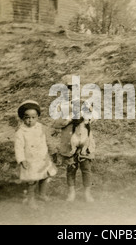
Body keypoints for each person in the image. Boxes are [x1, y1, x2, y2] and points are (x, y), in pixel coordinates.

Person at [53, 75, 96, 203]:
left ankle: (87, 193)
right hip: (68, 142)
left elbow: (94, 117)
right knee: (71, 168)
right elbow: (55, 123)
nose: (71, 92)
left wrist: (86, 117)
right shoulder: (61, 105)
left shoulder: (85, 103)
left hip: (85, 141)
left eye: (74, 89)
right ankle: (71, 192)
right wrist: (69, 119)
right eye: (68, 89)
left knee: (86, 168)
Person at [15, 100, 57, 209]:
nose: (30, 120)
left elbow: (45, 141)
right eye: (27, 117)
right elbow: (18, 148)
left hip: (42, 158)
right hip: (30, 160)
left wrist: (49, 152)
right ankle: (31, 199)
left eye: (33, 117)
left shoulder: (40, 128)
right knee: (32, 180)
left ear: (38, 117)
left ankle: (42, 194)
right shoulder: (21, 132)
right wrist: (22, 160)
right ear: (22, 118)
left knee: (44, 176)